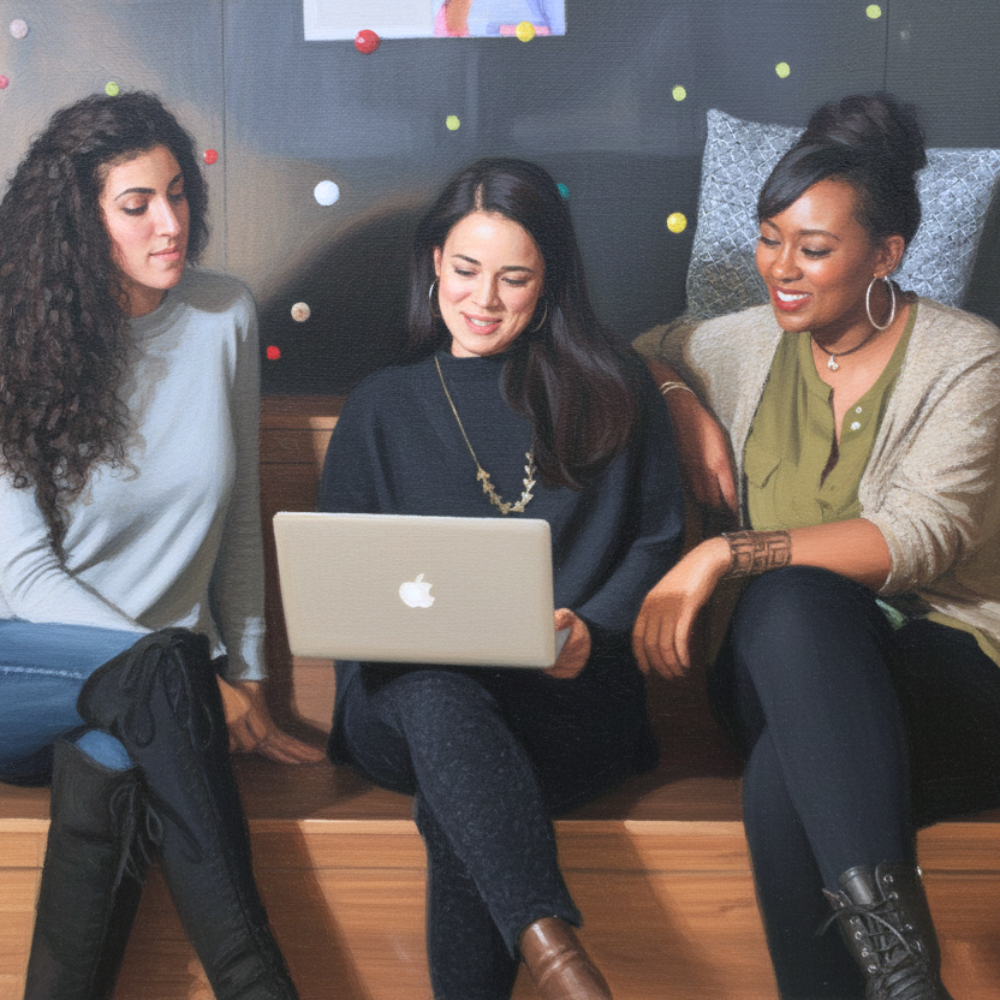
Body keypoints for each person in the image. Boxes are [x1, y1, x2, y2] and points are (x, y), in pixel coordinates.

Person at [633, 93, 1000, 1000]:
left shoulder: (971, 362)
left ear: (887, 255)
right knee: (794, 604)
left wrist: (721, 554)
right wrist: (680, 403)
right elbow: (628, 352)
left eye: (814, 249)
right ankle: (910, 979)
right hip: (779, 671)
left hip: (954, 677)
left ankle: (894, 977)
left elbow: (918, 539)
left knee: (781, 779)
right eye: (769, 239)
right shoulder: (740, 348)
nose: (780, 271)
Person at [318, 157, 684, 1000]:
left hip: (567, 703)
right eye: (467, 270)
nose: (484, 300)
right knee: (432, 683)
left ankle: (552, 954)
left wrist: (595, 627)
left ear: (550, 282)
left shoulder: (615, 388)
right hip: (402, 706)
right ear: (435, 263)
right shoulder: (383, 404)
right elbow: (337, 579)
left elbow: (657, 539)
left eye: (514, 278)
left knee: (462, 799)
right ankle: (557, 955)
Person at [0, 91, 322, 1000]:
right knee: (158, 682)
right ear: (76, 222)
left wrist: (249, 677)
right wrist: (191, 679)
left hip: (160, 704)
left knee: (114, 766)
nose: (171, 223)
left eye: (178, 194)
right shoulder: (12, 342)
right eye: (136, 205)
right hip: (25, 674)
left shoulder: (223, 318)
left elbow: (240, 517)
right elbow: (22, 576)